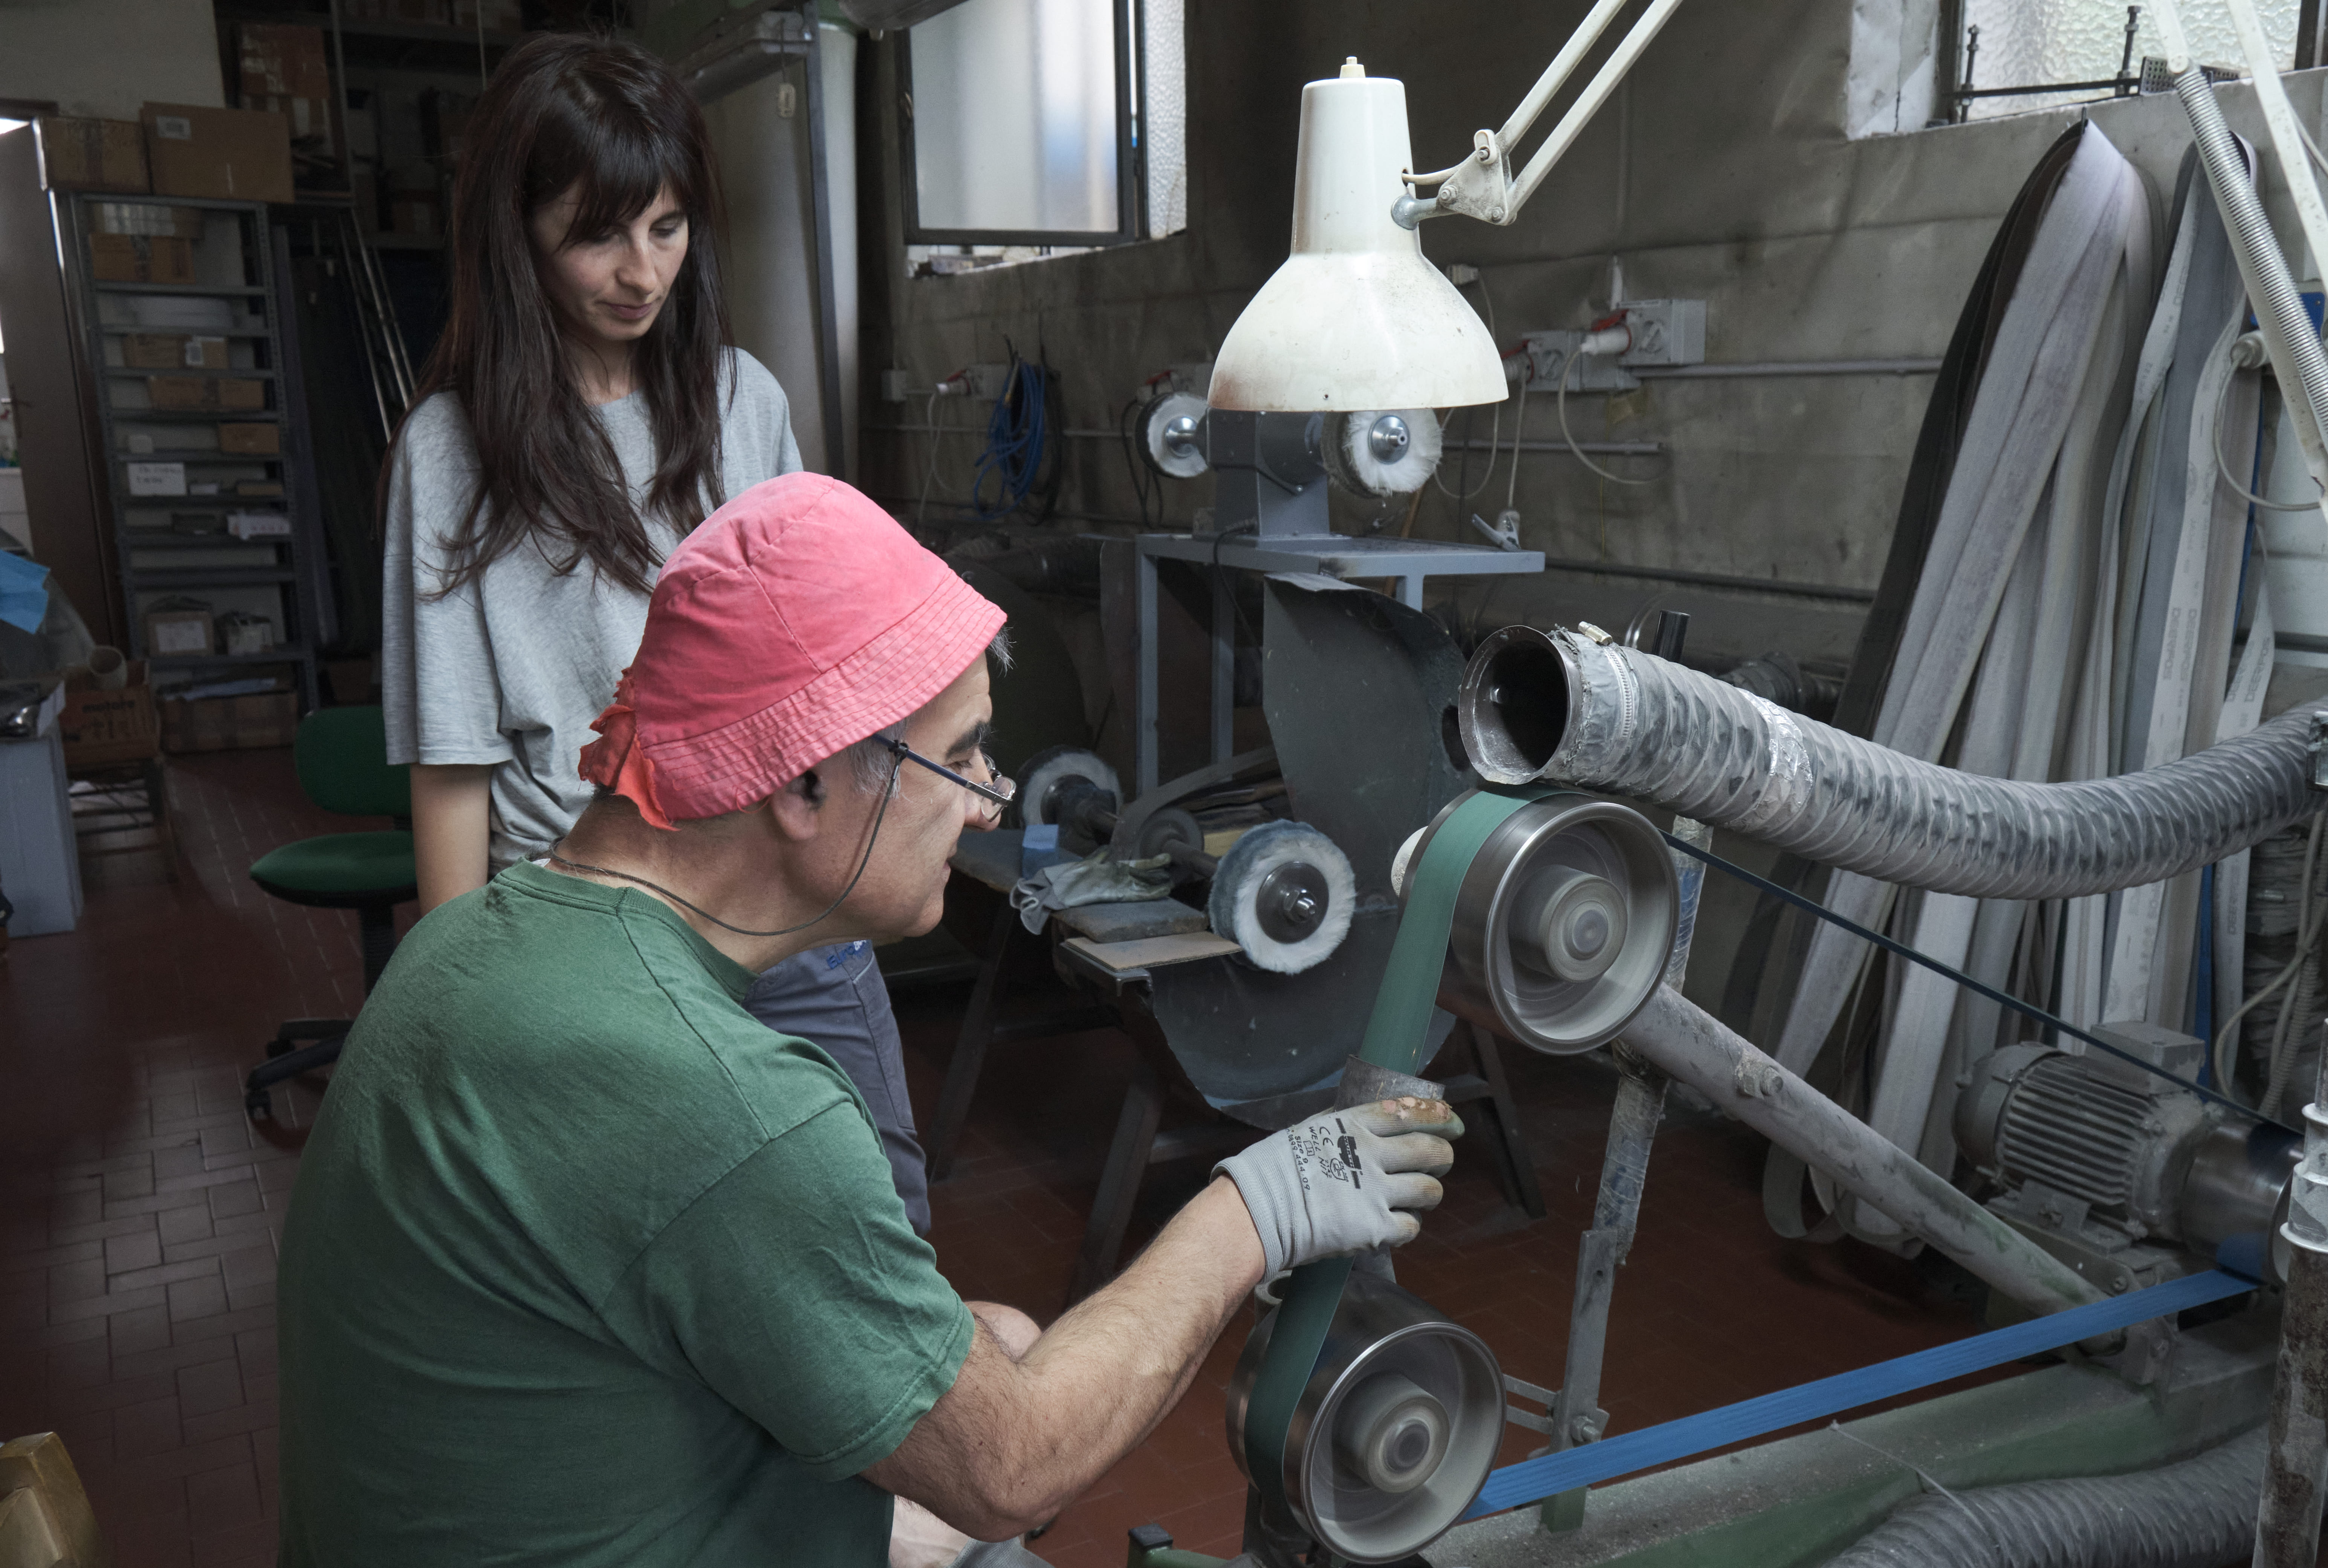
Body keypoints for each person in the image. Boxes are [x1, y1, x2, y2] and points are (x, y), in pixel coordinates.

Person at [278, 473, 1463, 1566]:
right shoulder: (722, 1100)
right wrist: (1256, 1208)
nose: (994, 796)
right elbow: (1016, 1472)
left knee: (985, 1336)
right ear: (803, 781)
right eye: (963, 755)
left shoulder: (474, 942)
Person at [378, 34, 934, 1231]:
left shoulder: (744, 403)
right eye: (596, 233)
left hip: (785, 904)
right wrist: (454, 1011)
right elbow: (451, 757)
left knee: (873, 1217)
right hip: (592, 937)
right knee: (644, 1250)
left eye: (669, 228)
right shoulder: (450, 448)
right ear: (516, 232)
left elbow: (820, 678)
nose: (641, 273)